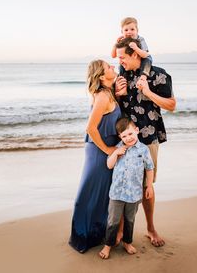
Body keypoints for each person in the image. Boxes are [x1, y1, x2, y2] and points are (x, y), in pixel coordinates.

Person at [115, 37, 176, 247]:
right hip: (123, 139)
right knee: (122, 181)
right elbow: (116, 106)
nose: (119, 61)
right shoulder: (122, 75)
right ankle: (121, 229)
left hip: (148, 139)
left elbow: (171, 105)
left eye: (123, 57)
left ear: (135, 54)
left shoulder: (158, 74)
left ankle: (150, 228)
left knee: (146, 186)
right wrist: (118, 94)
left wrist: (148, 92)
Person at [69, 60, 121, 253]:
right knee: (91, 191)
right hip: (99, 149)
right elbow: (90, 128)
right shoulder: (101, 96)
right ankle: (82, 236)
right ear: (101, 76)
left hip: (105, 148)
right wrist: (108, 150)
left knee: (102, 193)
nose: (113, 67)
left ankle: (96, 234)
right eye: (109, 67)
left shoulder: (109, 92)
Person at [99, 117, 154, 259]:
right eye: (124, 136)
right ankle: (108, 245)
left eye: (130, 134)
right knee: (113, 221)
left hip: (134, 194)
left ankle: (127, 242)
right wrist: (116, 153)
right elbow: (109, 165)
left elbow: (149, 168)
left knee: (130, 220)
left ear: (136, 131)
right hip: (117, 193)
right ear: (120, 137)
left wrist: (149, 186)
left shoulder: (144, 149)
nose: (128, 138)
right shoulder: (118, 148)